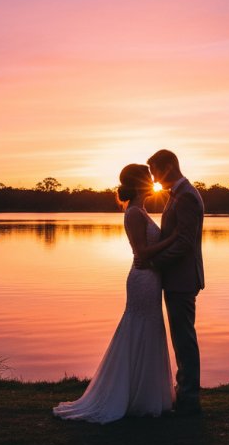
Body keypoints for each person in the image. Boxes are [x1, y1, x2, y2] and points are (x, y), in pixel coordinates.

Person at [52, 164, 176, 424]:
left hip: (151, 278)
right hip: (142, 279)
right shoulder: (133, 213)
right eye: (150, 178)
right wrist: (173, 239)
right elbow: (141, 252)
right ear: (141, 183)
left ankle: (147, 394)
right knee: (139, 328)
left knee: (150, 330)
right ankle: (132, 396)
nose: (154, 181)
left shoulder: (140, 210)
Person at [143, 149, 205, 415]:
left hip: (181, 278)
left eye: (156, 170)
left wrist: (154, 263)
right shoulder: (178, 195)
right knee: (181, 337)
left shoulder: (187, 197)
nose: (154, 177)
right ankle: (184, 393)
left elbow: (184, 242)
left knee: (184, 338)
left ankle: (189, 398)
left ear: (169, 166)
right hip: (175, 277)